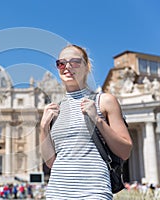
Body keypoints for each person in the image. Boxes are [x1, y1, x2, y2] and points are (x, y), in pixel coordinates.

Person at [40, 44, 133, 199]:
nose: (67, 67)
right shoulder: (55, 109)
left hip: (94, 191)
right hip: (57, 192)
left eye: (74, 62)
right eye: (61, 63)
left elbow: (125, 151)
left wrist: (97, 119)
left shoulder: (104, 101)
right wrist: (43, 128)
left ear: (86, 66)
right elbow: (51, 163)